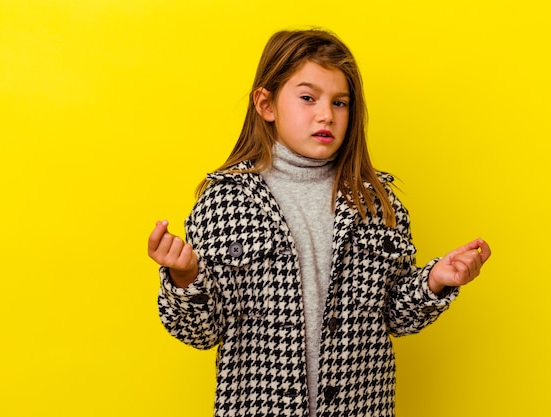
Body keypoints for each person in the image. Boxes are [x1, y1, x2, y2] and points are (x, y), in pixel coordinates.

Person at [148, 29, 491, 417]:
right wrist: (185, 277)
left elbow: (394, 314)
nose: (326, 114)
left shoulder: (376, 202)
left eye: (340, 103)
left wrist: (434, 281)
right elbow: (201, 331)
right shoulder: (225, 201)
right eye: (308, 98)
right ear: (266, 104)